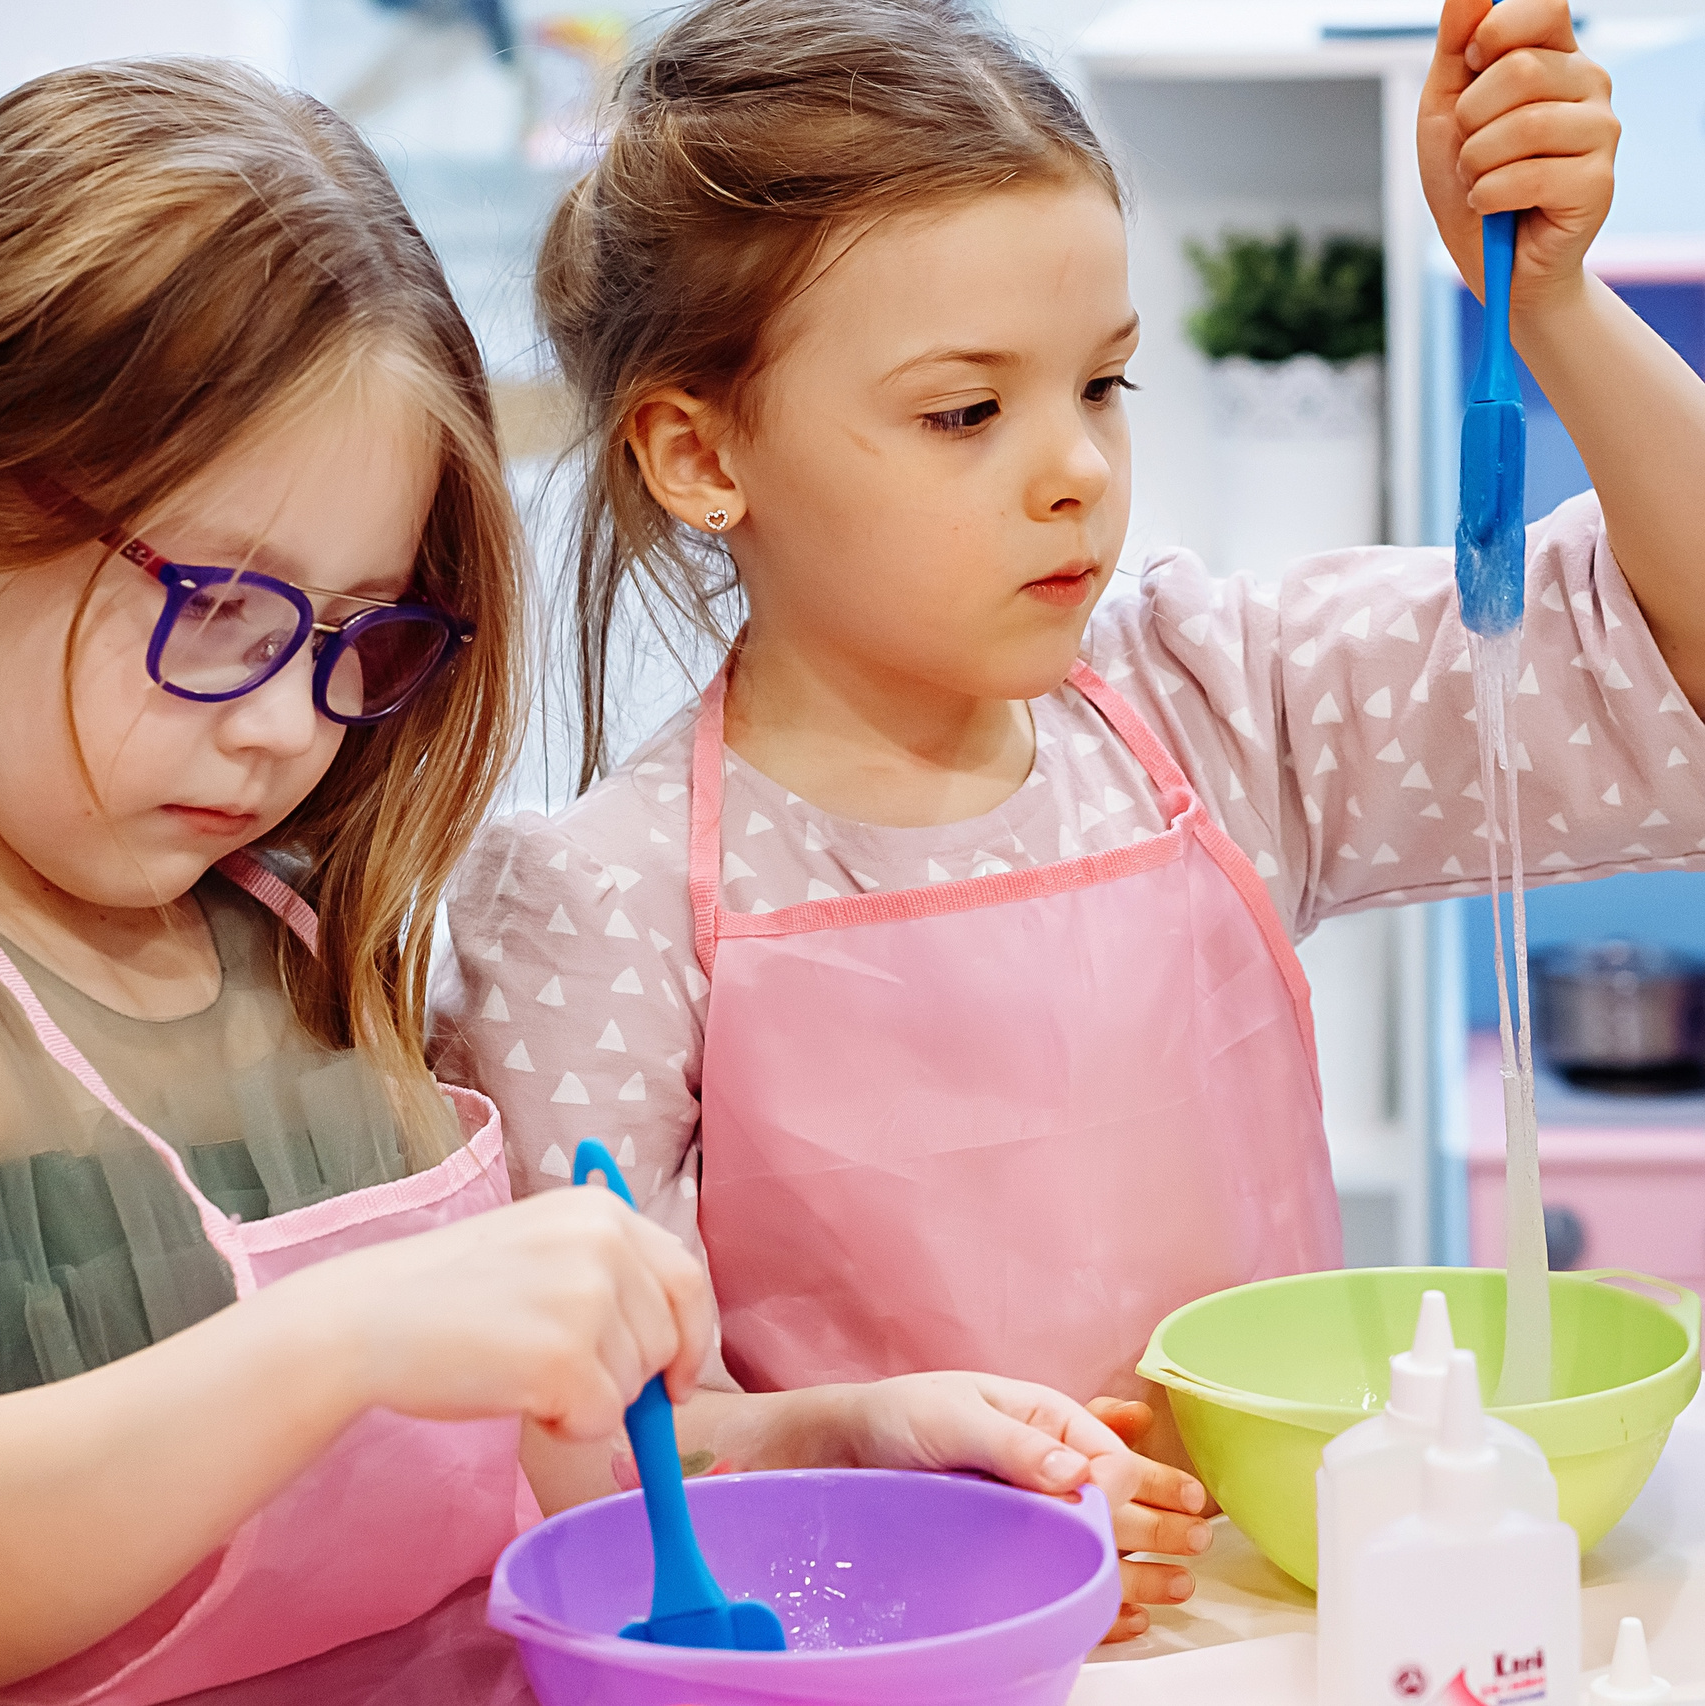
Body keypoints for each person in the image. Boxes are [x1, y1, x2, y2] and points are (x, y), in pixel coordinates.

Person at [0, 55, 1185, 1705]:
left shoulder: (285, 922)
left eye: (353, 635)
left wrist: (843, 1437)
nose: (282, 725)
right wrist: (349, 1331)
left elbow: (504, 1490)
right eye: (216, 612)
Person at [432, 0, 1705, 1639]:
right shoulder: (598, 906)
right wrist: (867, 1448)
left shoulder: (1214, 704)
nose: (1076, 473)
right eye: (968, 412)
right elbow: (595, 1475)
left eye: (1101, 383)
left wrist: (1552, 309)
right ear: (698, 451)